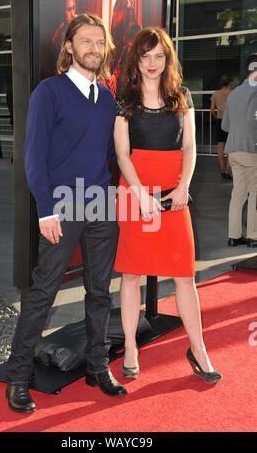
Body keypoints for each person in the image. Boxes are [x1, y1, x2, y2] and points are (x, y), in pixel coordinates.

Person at [6, 14, 127, 414]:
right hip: (62, 204)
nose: (94, 48)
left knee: (98, 291)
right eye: (86, 41)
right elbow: (33, 156)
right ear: (70, 47)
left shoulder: (107, 97)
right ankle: (18, 378)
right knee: (43, 293)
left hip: (101, 203)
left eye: (99, 42)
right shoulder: (50, 92)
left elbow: (111, 156)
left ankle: (96, 366)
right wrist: (45, 211)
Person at [113, 27, 222, 384]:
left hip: (175, 194)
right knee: (131, 274)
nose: (152, 63)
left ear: (168, 58)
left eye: (159, 55)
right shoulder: (125, 98)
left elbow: (189, 148)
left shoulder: (182, 95)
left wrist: (183, 187)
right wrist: (141, 193)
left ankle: (199, 349)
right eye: (145, 56)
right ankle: (130, 346)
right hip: (135, 191)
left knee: (184, 276)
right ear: (136, 59)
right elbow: (122, 153)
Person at [222, 53, 257, 248]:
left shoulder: (234, 93)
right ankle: (253, 235)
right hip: (251, 149)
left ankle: (234, 236)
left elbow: (225, 125)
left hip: (234, 150)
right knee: (255, 193)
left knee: (238, 194)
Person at [111, 0, 137, 75]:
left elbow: (129, 43)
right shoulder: (116, 6)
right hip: (113, 59)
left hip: (121, 66)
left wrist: (119, 68)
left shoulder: (129, 10)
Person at [51, 0, 77, 74]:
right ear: (61, 10)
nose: (73, 13)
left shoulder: (83, 27)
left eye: (74, 8)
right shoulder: (57, 38)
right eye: (69, 9)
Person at [211, 76, 233, 179]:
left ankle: (222, 169)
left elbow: (212, 110)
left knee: (220, 146)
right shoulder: (233, 93)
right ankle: (228, 169)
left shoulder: (216, 94)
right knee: (229, 146)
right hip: (230, 121)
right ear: (230, 83)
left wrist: (217, 117)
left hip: (220, 120)